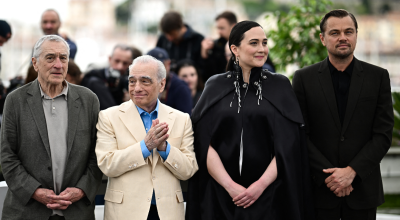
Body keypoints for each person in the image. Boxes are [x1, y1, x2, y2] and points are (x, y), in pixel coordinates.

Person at [186, 21, 314, 220]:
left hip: (270, 196)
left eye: (264, 43)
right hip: (220, 194)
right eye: (254, 43)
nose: (262, 49)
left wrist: (259, 186)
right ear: (234, 49)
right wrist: (230, 187)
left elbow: (289, 145)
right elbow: (202, 142)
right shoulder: (215, 85)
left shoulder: (280, 86)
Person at [292, 9, 394, 220]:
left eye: (349, 31)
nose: (343, 38)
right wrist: (331, 177)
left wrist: (352, 172)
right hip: (319, 191)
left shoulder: (378, 77)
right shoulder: (303, 78)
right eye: (335, 33)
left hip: (363, 190)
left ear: (356, 34)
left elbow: (383, 134)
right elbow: (300, 134)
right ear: (322, 38)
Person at [0, 35, 103, 220]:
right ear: (35, 63)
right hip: (26, 212)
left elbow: (98, 154)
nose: (58, 64)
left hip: (76, 212)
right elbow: (7, 156)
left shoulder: (89, 100)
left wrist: (81, 190)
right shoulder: (15, 101)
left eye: (63, 58)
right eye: (50, 58)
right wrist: (34, 191)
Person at [95, 55, 198, 220]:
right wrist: (145, 146)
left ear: (162, 84)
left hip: (167, 213)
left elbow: (189, 169)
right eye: (132, 81)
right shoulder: (108, 117)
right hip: (125, 212)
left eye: (145, 81)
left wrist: (165, 149)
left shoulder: (181, 119)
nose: (136, 88)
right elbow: (107, 164)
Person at [81, 44, 141, 110]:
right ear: (110, 59)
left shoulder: (130, 82)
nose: (120, 67)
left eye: (125, 63)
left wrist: (132, 101)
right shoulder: (94, 77)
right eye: (117, 61)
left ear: (130, 63)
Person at [147, 47, 192, 115]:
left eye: (160, 66)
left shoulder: (180, 88)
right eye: (150, 66)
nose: (155, 70)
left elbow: (186, 120)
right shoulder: (142, 85)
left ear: (168, 64)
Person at [201, 11, 237, 82]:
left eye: (222, 28)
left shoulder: (244, 44)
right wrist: (204, 54)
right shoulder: (215, 46)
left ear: (233, 26)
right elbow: (208, 73)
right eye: (218, 28)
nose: (219, 32)